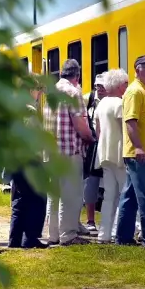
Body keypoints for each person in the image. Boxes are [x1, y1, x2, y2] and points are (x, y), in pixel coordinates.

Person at [43, 59, 96, 246]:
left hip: (51, 152)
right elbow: (80, 125)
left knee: (55, 194)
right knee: (71, 194)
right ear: (77, 76)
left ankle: (53, 234)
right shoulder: (73, 93)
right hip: (69, 151)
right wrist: (90, 137)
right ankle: (68, 235)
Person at [115, 55, 145, 247]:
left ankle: (124, 237)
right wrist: (138, 147)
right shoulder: (135, 92)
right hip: (141, 155)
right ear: (137, 69)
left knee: (130, 198)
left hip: (144, 153)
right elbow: (130, 121)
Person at [8, 81, 49, 249]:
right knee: (37, 198)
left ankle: (15, 239)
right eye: (39, 90)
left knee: (20, 199)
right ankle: (30, 237)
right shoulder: (29, 111)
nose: (40, 94)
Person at [94, 69, 129, 243]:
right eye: (125, 84)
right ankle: (119, 232)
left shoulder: (102, 103)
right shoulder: (120, 104)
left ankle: (103, 234)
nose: (126, 87)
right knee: (125, 193)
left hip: (104, 153)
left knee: (109, 195)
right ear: (119, 85)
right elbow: (126, 129)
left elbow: (98, 130)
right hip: (119, 153)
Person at [83, 73, 106, 232]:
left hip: (108, 144)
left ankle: (107, 221)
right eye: (97, 86)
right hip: (93, 146)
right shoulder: (88, 99)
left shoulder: (114, 99)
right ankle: (90, 219)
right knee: (91, 183)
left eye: (102, 86)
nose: (99, 89)